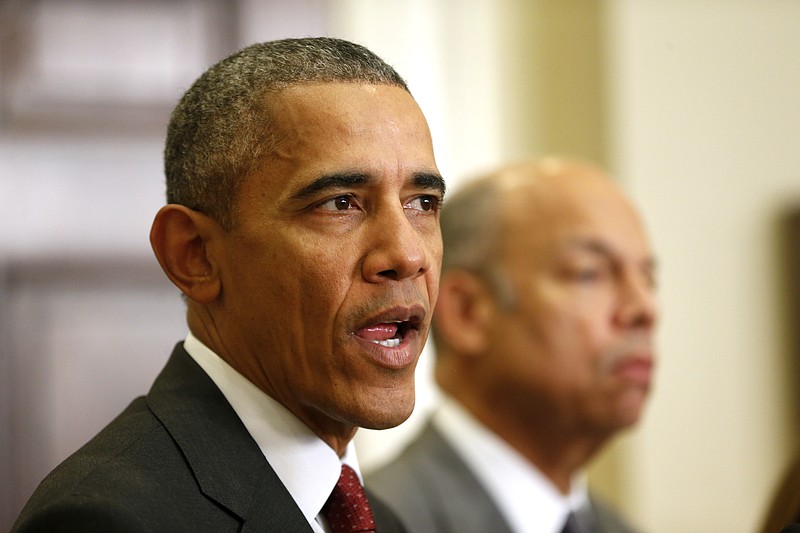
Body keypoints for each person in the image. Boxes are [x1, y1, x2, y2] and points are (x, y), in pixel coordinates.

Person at [12, 37, 445, 533]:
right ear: (193, 254)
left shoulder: (378, 519)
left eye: (423, 203)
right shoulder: (107, 519)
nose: (407, 255)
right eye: (340, 203)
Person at [367, 158, 658, 533]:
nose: (644, 308)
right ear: (467, 312)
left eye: (649, 277)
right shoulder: (378, 521)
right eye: (590, 273)